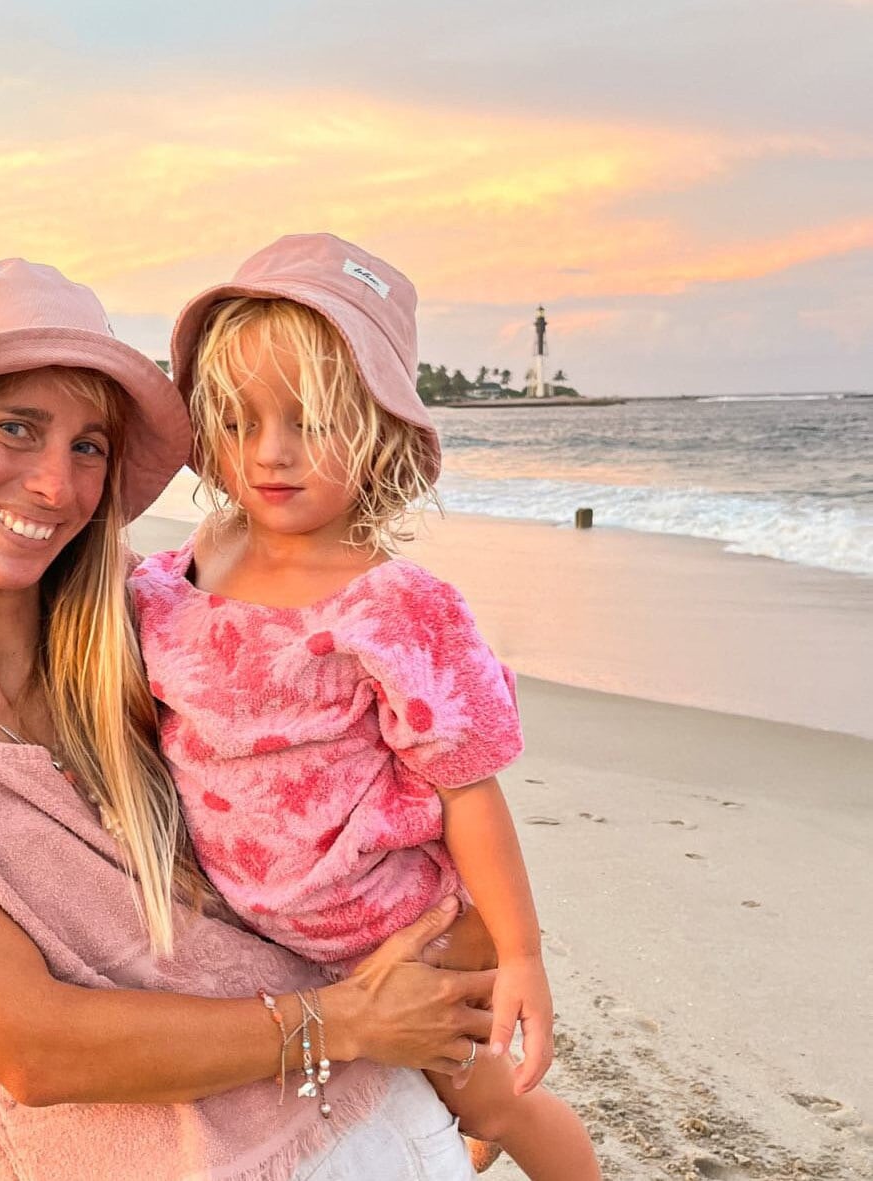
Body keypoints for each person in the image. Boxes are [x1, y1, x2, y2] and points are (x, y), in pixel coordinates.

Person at [0, 258, 504, 1181]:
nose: (56, 486)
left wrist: (464, 981)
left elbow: (417, 782)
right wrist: (349, 1020)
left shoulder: (152, 624)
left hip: (374, 1122)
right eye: (16, 428)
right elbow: (35, 1049)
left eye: (89, 445)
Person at [131, 234, 601, 1178]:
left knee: (490, 1096)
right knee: (401, 1098)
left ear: (382, 426)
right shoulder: (174, 576)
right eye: (239, 420)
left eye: (314, 422)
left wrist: (521, 955)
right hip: (259, 938)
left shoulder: (393, 605)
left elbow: (468, 789)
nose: (272, 453)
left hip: (397, 930)